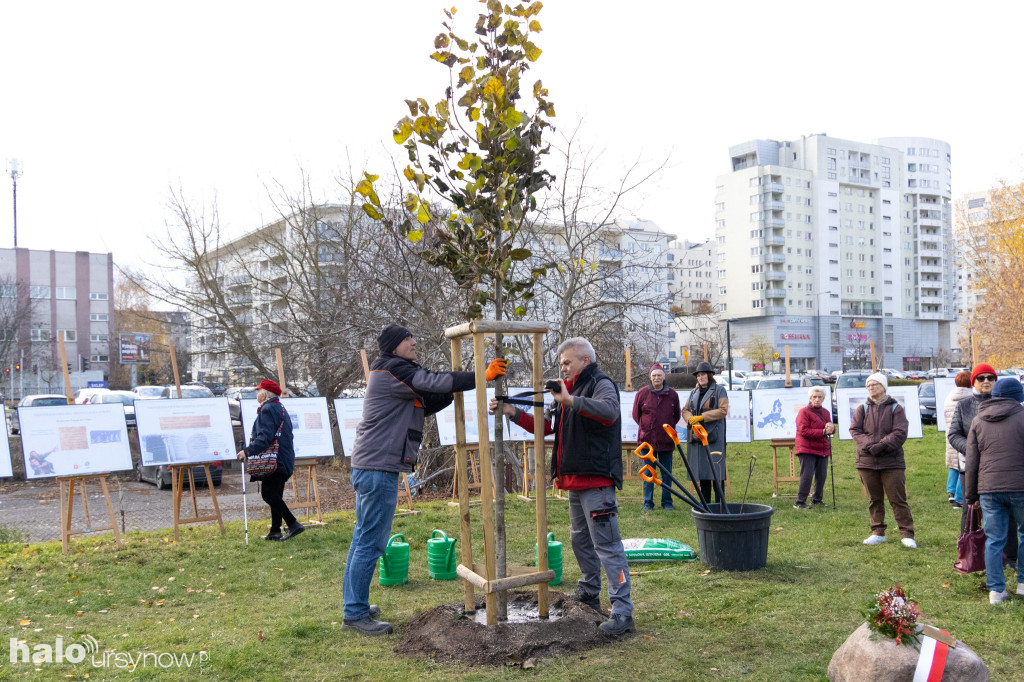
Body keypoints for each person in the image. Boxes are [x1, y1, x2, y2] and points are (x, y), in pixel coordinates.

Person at [342, 324, 506, 636]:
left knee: (362, 538)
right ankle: (354, 614)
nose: (414, 342)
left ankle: (355, 605)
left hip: (371, 465)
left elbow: (430, 399)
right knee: (370, 541)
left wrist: (459, 388)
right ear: (394, 346)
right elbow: (435, 381)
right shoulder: (394, 368)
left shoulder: (392, 373)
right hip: (378, 468)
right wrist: (480, 376)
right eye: (408, 339)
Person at [492, 337, 634, 636]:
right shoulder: (567, 391)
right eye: (560, 364)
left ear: (585, 360)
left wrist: (569, 399)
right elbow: (546, 427)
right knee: (580, 542)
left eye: (567, 362)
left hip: (597, 481)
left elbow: (609, 412)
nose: (563, 368)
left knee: (607, 547)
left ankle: (622, 611)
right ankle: (589, 593)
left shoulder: (600, 383)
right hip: (574, 481)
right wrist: (512, 412)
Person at [947, 363, 1016, 567]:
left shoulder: (1005, 403)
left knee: (1007, 509)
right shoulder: (964, 405)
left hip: (1000, 465)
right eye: (981, 378)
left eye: (990, 378)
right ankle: (969, 554)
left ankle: (1010, 557)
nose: (986, 381)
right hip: (970, 466)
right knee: (970, 509)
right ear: (973, 381)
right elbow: (953, 434)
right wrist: (972, 449)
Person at [964, 378, 1024, 604]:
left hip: (989, 489)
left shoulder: (978, 420)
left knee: (994, 539)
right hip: (1020, 486)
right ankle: (1023, 583)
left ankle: (996, 591)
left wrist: (971, 496)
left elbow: (972, 463)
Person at [849, 372, 915, 548]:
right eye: (868, 385)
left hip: (892, 461)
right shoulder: (862, 409)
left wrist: (883, 445)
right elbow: (855, 430)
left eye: (874, 384)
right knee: (874, 499)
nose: (871, 387)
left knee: (898, 499)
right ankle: (877, 532)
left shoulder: (896, 409)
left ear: (883, 387)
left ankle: (907, 534)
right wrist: (870, 445)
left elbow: (900, 432)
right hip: (867, 462)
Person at [235, 380, 302, 542]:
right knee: (276, 494)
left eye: (259, 390)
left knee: (268, 494)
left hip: (273, 460)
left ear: (265, 394)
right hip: (284, 458)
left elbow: (265, 437)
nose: (257, 394)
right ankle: (275, 531)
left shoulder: (268, 409)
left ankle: (293, 524)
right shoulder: (280, 408)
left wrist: (248, 451)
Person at [632, 363, 681, 510]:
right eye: (654, 375)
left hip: (666, 441)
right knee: (648, 473)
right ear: (650, 377)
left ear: (664, 376)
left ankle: (667, 502)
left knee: (667, 474)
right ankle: (648, 502)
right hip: (647, 442)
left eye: (659, 375)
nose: (656, 378)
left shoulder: (672, 395)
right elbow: (636, 416)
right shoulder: (642, 394)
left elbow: (676, 416)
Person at [681, 361, 730, 505]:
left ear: (709, 375)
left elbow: (723, 410)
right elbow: (685, 410)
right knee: (703, 475)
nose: (701, 377)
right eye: (698, 375)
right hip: (698, 438)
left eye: (703, 374)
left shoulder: (719, 390)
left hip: (714, 437)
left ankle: (720, 507)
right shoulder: (693, 392)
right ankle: (706, 507)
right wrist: (691, 420)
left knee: (717, 474)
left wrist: (702, 417)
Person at [793, 386, 835, 509]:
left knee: (822, 475)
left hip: (822, 448)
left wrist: (832, 428)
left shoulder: (826, 412)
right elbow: (803, 431)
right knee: (807, 475)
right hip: (806, 448)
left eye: (820, 397)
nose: (817, 399)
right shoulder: (803, 412)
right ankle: (800, 502)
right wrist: (823, 432)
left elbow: (830, 429)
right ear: (810, 398)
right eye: (814, 397)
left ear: (823, 398)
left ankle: (817, 499)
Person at [942, 371, 973, 509]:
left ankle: (951, 492)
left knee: (954, 463)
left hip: (951, 434)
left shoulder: (949, 397)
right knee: (964, 465)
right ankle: (960, 499)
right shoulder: (971, 397)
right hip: (965, 436)